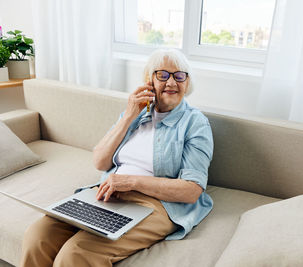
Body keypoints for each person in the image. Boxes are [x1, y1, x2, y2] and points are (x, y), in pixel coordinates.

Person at [20, 49, 214, 267]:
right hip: (109, 193)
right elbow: (100, 162)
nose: (171, 82)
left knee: (76, 253)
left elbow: (192, 190)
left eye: (179, 76)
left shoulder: (195, 123)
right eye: (163, 75)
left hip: (158, 204)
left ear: (187, 83)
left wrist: (130, 181)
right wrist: (129, 116)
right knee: (37, 236)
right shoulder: (136, 112)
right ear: (149, 80)